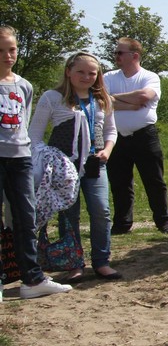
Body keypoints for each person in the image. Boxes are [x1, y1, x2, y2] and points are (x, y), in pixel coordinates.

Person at [29, 51, 121, 283]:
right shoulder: (52, 97)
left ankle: (102, 261)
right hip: (64, 168)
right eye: (81, 71)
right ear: (68, 72)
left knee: (101, 211)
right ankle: (74, 263)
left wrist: (107, 150)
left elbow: (111, 130)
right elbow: (35, 135)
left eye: (92, 73)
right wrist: (49, 159)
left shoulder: (102, 99)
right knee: (69, 215)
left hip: (95, 164)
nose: (86, 77)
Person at [0, 25, 72, 299]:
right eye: (1, 51)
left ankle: (32, 279)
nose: (8, 56)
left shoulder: (24, 85)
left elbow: (23, 125)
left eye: (12, 49)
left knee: (26, 218)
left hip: (20, 158)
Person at [105, 37, 168, 234]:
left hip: (145, 136)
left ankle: (163, 222)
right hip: (116, 138)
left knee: (154, 181)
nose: (116, 56)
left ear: (134, 56)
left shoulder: (149, 77)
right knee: (119, 183)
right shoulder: (108, 77)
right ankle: (122, 224)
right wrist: (131, 104)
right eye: (116, 52)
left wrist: (113, 99)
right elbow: (101, 101)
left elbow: (144, 96)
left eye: (120, 52)